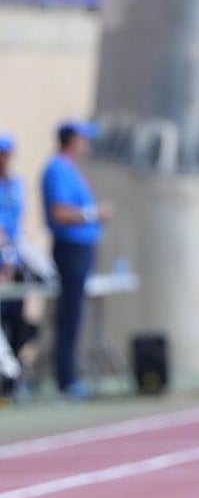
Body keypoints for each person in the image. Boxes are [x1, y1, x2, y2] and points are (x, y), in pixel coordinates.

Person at [41, 120, 111, 401]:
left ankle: (70, 375)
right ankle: (66, 379)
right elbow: (60, 212)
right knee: (69, 314)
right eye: (82, 139)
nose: (86, 144)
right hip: (70, 248)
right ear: (71, 140)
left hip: (81, 247)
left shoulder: (70, 170)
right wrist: (94, 214)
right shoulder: (58, 169)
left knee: (76, 313)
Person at [0, 132, 38, 395]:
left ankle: (11, 379)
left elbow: (15, 228)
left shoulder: (16, 184)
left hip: (14, 260)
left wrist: (13, 260)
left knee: (18, 320)